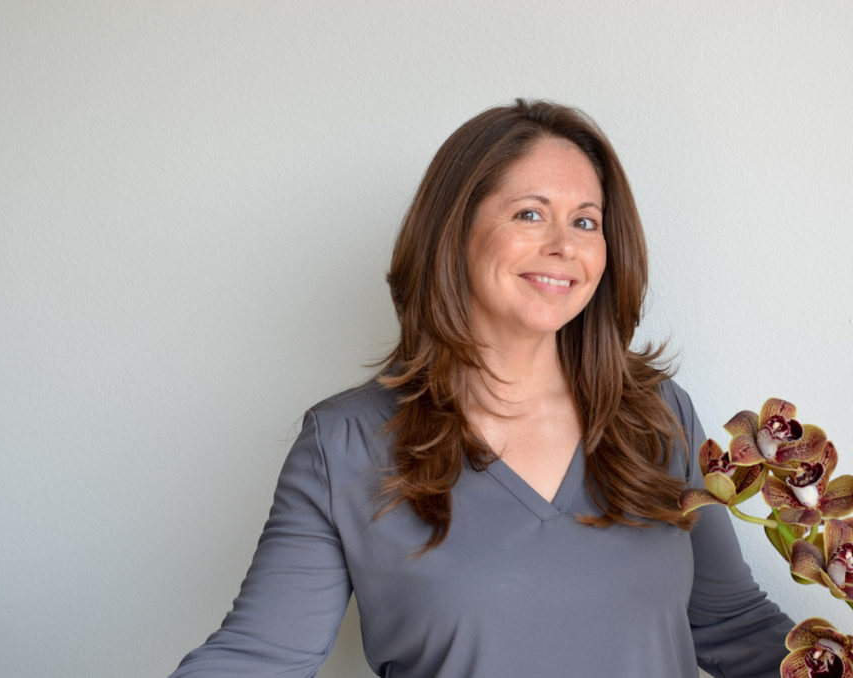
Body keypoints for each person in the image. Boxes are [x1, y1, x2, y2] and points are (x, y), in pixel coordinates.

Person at [169, 100, 794, 677]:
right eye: (530, 214)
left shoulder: (657, 416)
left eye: (585, 221)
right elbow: (257, 660)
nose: (564, 246)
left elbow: (730, 622)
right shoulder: (346, 446)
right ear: (454, 232)